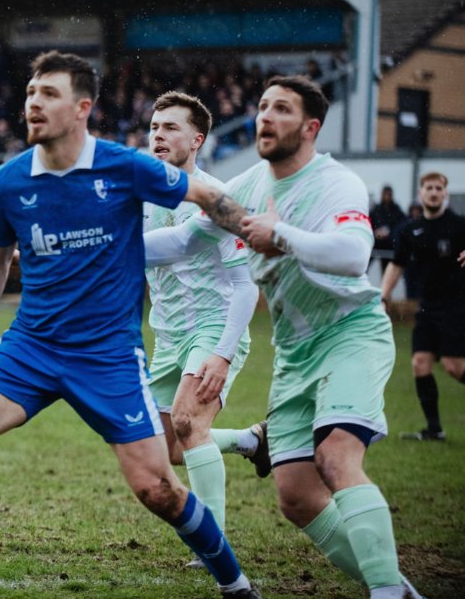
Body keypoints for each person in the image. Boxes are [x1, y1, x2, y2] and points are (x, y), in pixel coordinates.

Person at [0, 52, 259, 599]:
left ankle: (236, 585)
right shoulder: (9, 182)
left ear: (83, 108)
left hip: (107, 357)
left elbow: (206, 196)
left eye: (49, 94)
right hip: (29, 348)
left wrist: (255, 229)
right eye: (31, 92)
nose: (34, 102)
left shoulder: (124, 167)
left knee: (158, 489)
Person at [145, 75, 421, 599]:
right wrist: (80, 252)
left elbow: (351, 255)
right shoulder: (246, 187)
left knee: (336, 460)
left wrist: (282, 237)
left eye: (282, 110)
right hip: (293, 352)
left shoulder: (336, 182)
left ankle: (386, 593)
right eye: (262, 107)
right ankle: (399, 588)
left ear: (311, 127)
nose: (266, 117)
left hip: (348, 333)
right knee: (296, 498)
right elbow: (183, 240)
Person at [142, 92, 267, 547]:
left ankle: (215, 545)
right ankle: (253, 442)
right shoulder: (139, 197)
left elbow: (246, 285)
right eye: (154, 127)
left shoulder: (218, 199)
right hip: (167, 335)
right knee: (170, 449)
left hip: (214, 326)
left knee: (189, 422)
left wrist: (223, 352)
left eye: (170, 128)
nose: (158, 135)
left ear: (196, 139)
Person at [381, 172, 465, 442]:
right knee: (419, 363)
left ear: (445, 194)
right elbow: (396, 264)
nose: (433, 192)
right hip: (427, 307)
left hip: (457, 306)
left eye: (438, 188)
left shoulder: (459, 225)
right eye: (428, 188)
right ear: (421, 193)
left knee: (454, 366)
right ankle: (434, 430)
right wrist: (383, 296)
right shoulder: (410, 230)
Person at [369, 185, 406, 274]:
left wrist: (390, 232)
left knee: (386, 271)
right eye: (385, 194)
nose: (386, 197)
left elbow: (402, 224)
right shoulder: (377, 209)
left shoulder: (396, 210)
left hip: (389, 245)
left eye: (388, 194)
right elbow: (370, 222)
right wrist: (376, 232)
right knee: (364, 264)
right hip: (376, 244)